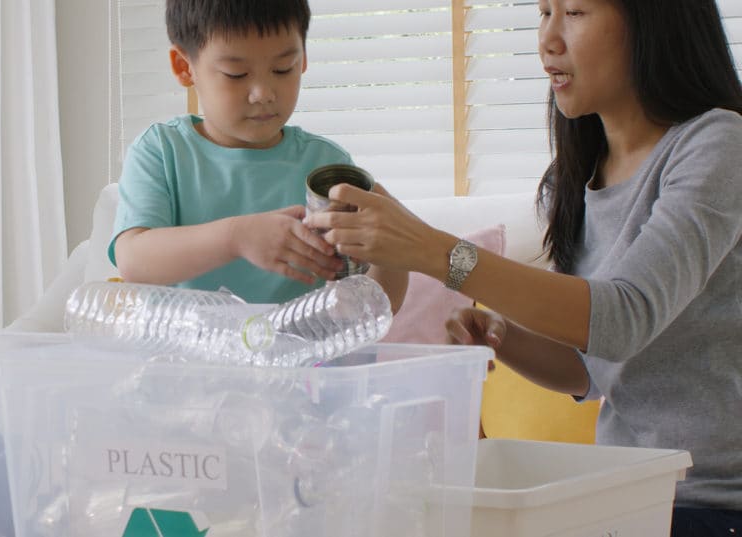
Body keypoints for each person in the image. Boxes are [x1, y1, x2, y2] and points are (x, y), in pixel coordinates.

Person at [304, 0, 742, 534]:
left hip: (714, 504)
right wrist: (503, 338)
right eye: (543, 12)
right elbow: (590, 368)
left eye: (575, 13)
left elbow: (625, 317)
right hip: (622, 493)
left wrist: (432, 251)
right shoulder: (574, 177)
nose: (548, 40)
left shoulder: (717, 144)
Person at [108, 0, 406, 309]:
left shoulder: (325, 166)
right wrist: (236, 238)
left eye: (282, 69)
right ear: (185, 67)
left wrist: (392, 250)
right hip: (182, 354)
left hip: (295, 353)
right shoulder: (161, 151)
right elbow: (133, 261)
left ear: (302, 59)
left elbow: (372, 309)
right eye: (236, 74)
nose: (263, 93)